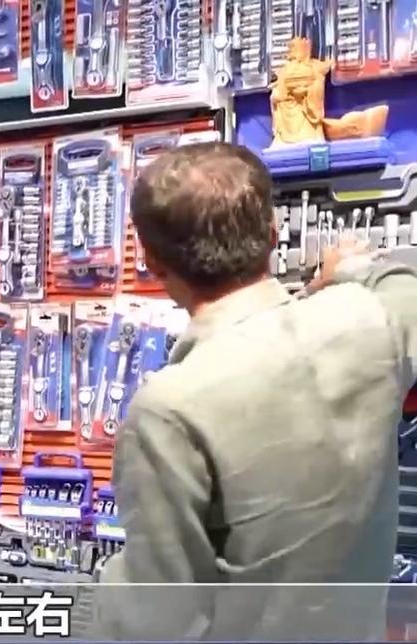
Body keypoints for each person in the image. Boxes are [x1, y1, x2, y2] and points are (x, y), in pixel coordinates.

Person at [94, 142, 416, 640]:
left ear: (153, 264)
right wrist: (343, 276)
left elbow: (156, 622)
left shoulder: (168, 410)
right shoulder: (368, 322)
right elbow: (405, 282)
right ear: (272, 233)